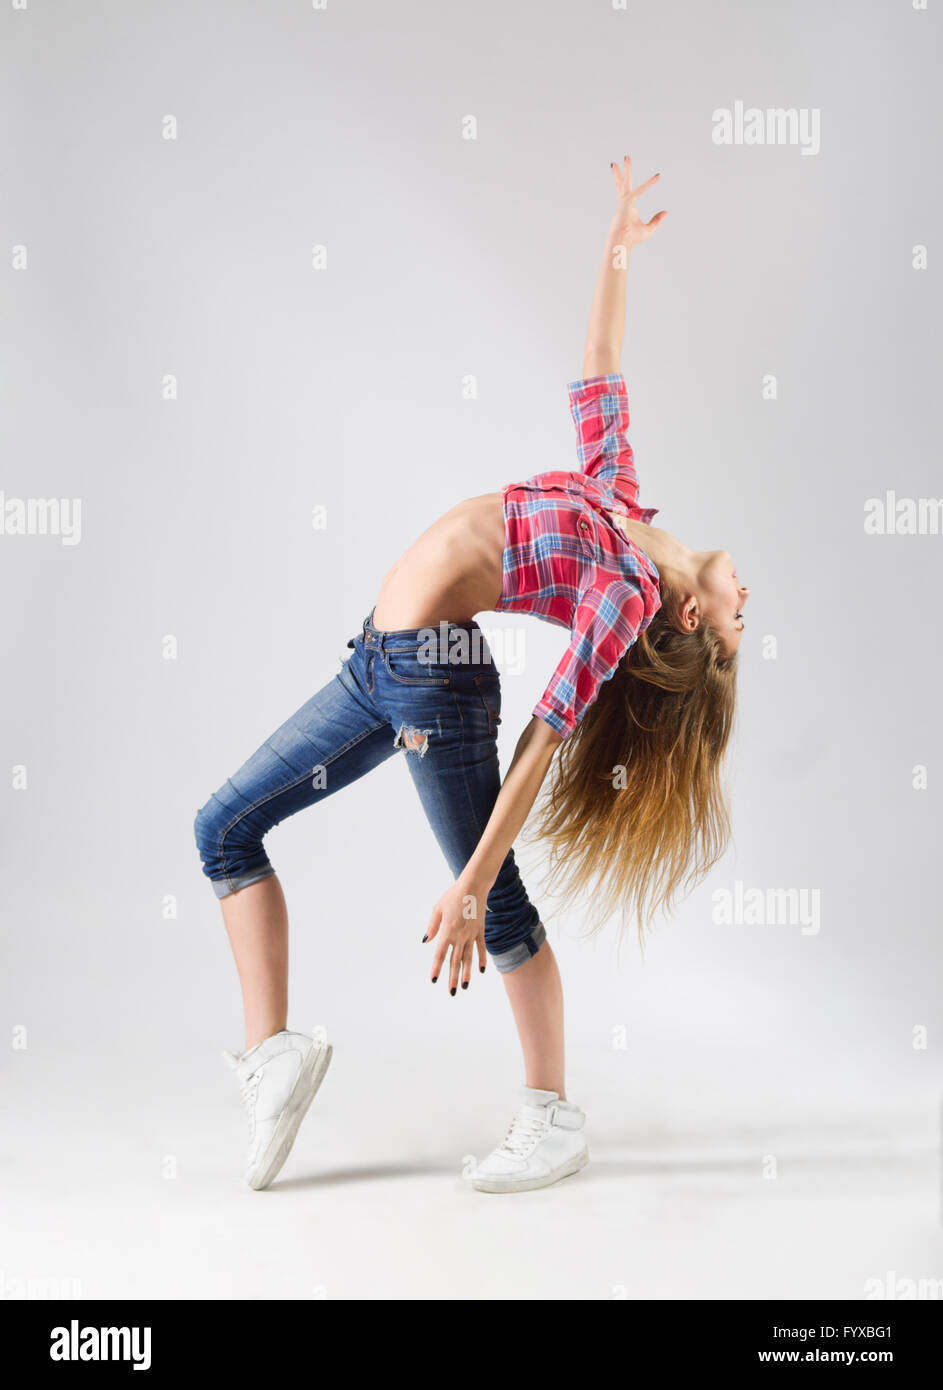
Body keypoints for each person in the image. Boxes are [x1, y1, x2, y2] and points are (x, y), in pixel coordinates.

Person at [194, 155, 749, 1193]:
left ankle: (551, 1115)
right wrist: (616, 248)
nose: (743, 607)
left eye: (733, 629)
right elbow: (597, 360)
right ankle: (273, 1060)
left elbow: (546, 733)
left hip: (439, 680)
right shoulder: (618, 495)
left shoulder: (625, 593)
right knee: (221, 827)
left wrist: (474, 871)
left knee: (493, 911)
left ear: (684, 617)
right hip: (379, 659)